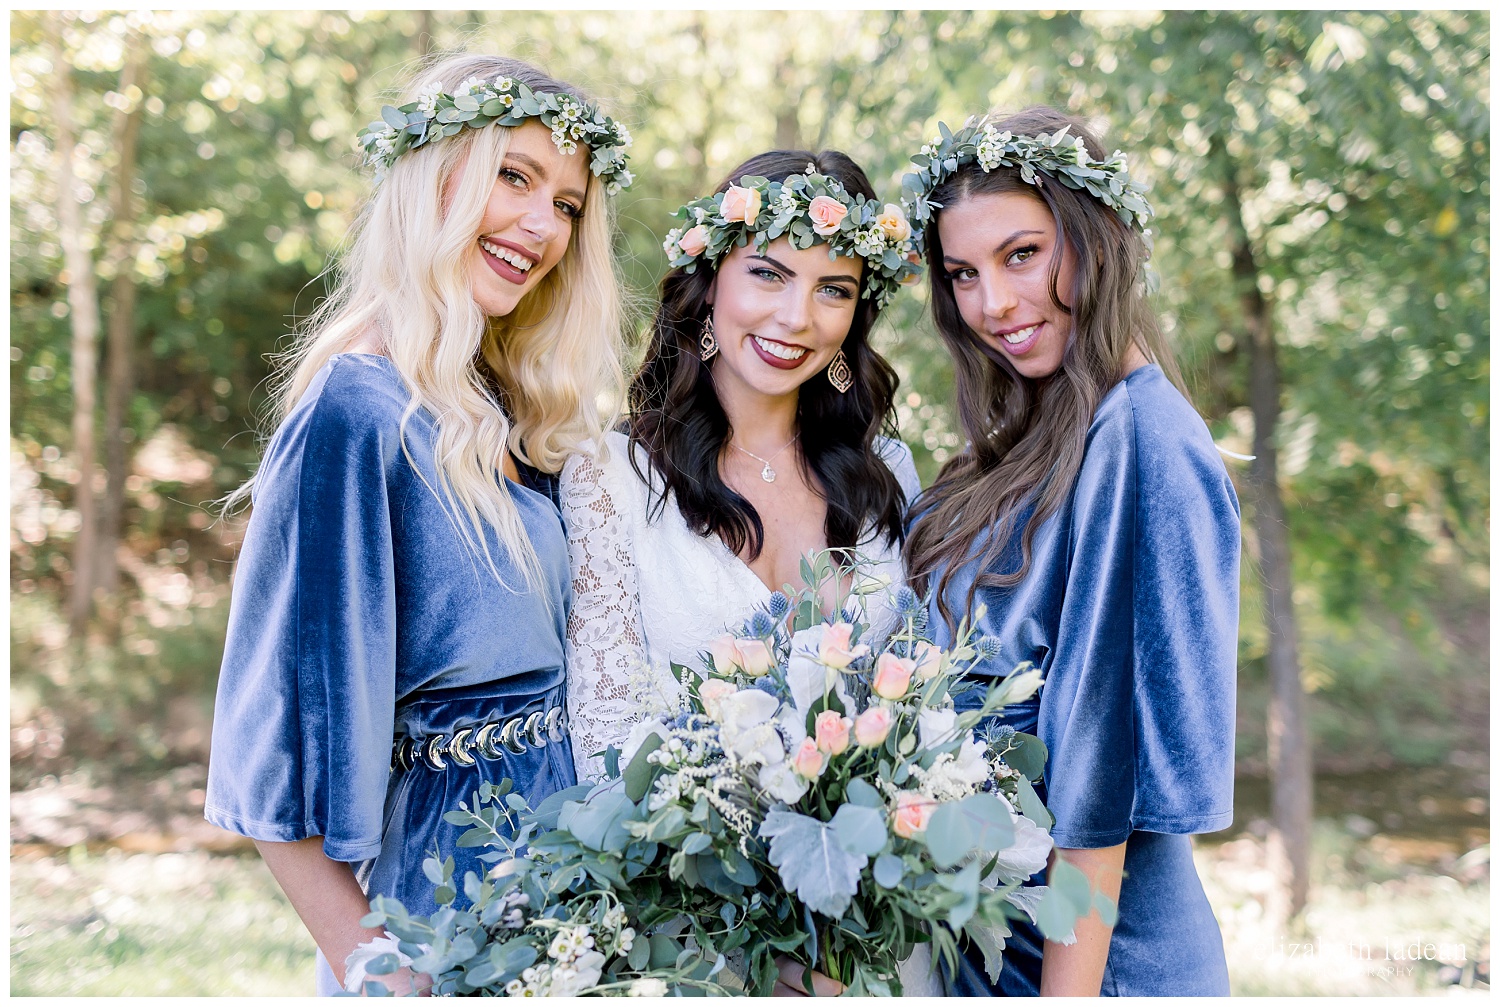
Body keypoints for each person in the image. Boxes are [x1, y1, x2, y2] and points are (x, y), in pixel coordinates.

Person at [203, 53, 632, 995]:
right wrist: (396, 979)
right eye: (514, 177)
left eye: (567, 204)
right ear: (431, 178)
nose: (541, 225)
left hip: (576, 896)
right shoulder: (357, 410)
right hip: (448, 905)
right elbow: (274, 785)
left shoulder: (509, 408)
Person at [558, 150, 933, 995]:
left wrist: (849, 918)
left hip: (871, 945)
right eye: (768, 274)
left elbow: (919, 712)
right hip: (690, 935)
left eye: (833, 289)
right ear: (709, 284)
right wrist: (762, 918)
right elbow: (604, 738)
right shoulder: (610, 475)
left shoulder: (890, 478)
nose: (797, 316)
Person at [902, 107, 1240, 996]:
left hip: (1091, 960)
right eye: (964, 273)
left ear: (1100, 242)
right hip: (998, 943)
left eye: (1023, 254)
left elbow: (1100, 772)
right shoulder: (1050, 434)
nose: (994, 304)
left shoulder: (1143, 439)